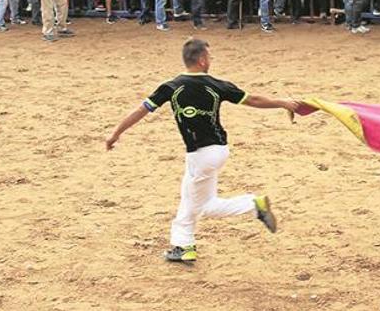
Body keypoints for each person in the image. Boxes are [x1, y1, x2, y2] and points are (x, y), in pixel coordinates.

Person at [105, 38, 300, 264]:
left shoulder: (171, 87)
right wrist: (282, 102)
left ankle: (187, 243)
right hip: (218, 150)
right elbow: (254, 100)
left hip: (200, 154)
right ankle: (240, 211)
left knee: (192, 203)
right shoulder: (217, 85)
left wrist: (116, 133)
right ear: (202, 60)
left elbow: (141, 110)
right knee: (201, 202)